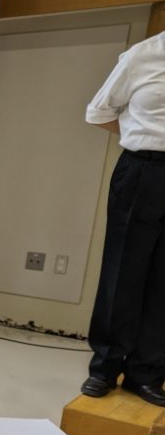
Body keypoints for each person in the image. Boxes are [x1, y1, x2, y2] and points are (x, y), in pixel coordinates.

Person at [80, 31, 165, 407]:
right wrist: (136, 131)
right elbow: (98, 113)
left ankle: (146, 373)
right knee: (122, 271)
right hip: (142, 169)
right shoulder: (141, 57)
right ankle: (104, 367)